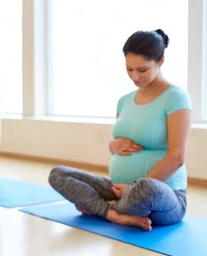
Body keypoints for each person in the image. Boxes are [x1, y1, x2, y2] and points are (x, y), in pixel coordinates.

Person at [48, 29, 192, 231]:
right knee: (58, 174)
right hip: (118, 189)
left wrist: (132, 188)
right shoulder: (124, 101)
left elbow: (177, 157)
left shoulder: (176, 98)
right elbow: (119, 149)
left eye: (142, 70)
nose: (135, 76)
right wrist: (112, 145)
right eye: (129, 69)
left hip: (160, 196)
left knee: (145, 188)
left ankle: (101, 209)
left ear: (160, 61)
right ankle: (115, 214)